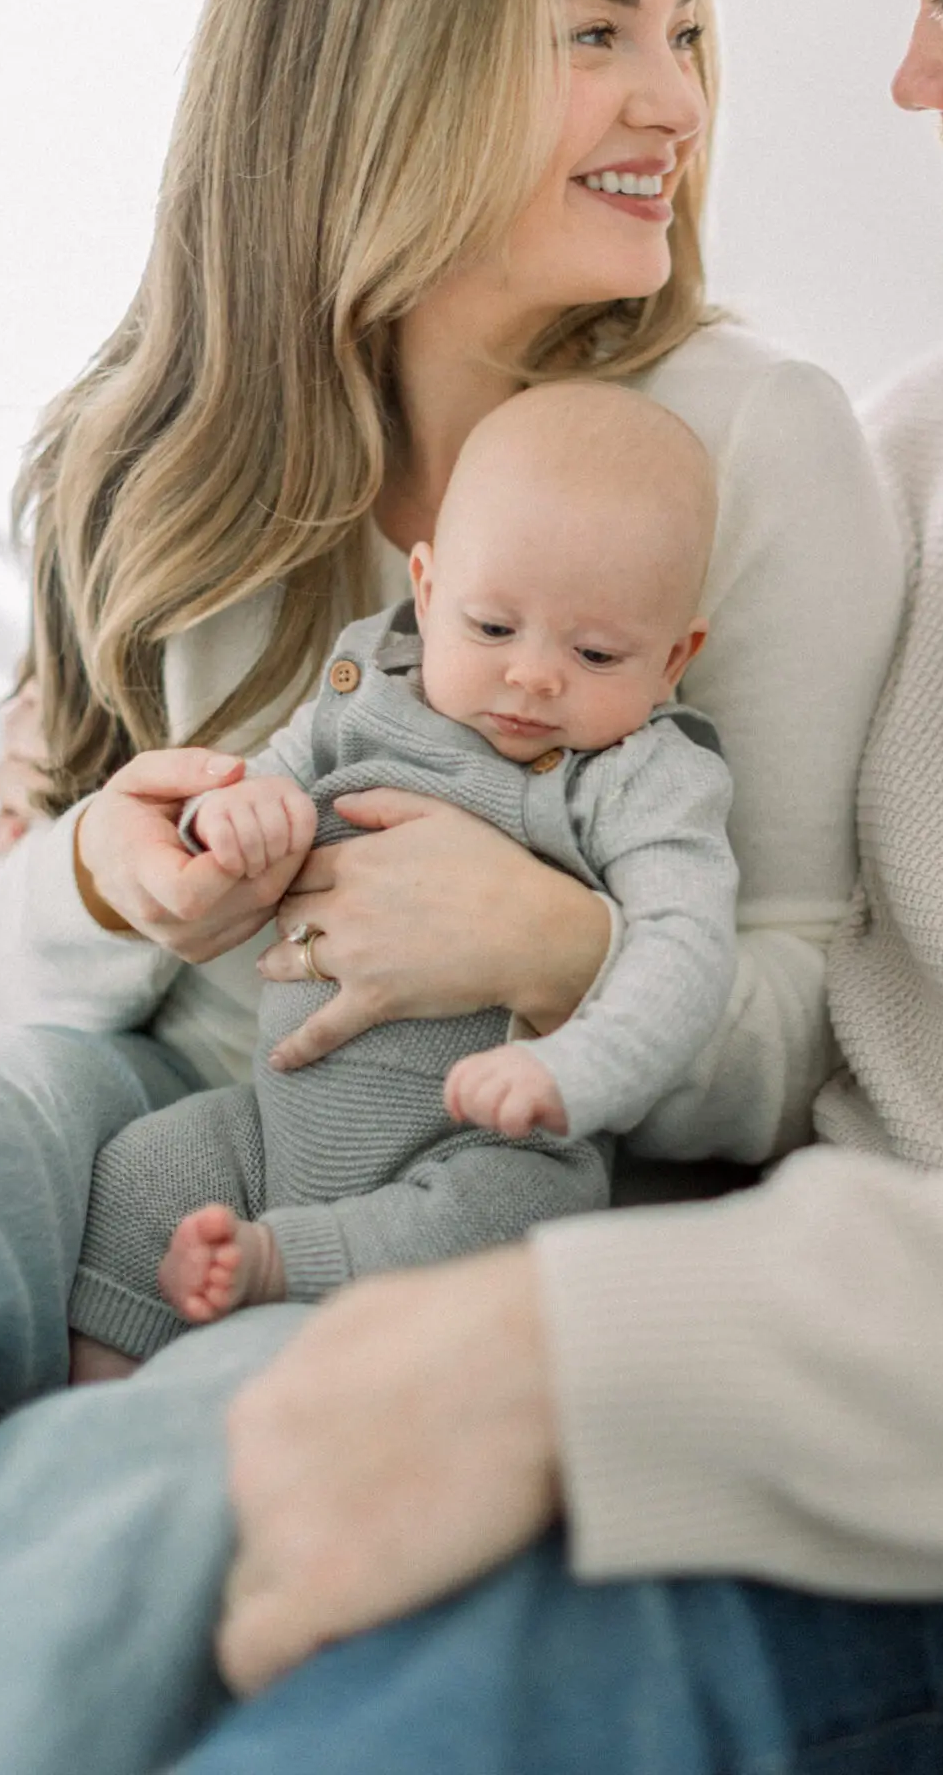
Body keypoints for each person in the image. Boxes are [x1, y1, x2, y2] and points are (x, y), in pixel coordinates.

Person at [0, 0, 896, 1772]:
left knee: (180, 1431)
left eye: (684, 34)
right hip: (168, 1114)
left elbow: (805, 1034)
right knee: (1, 1116)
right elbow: (29, 979)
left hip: (498, 1169)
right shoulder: (150, 455)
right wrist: (112, 887)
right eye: (592, 34)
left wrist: (553, 946)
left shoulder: (754, 449)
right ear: (386, 59)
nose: (671, 97)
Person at [68, 382, 737, 1367]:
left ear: (676, 656)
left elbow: (686, 950)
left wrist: (573, 1068)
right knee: (144, 1169)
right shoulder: (359, 699)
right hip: (273, 1125)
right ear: (425, 592)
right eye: (493, 628)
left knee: (506, 1219)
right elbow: (246, 797)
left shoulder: (644, 776)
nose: (533, 675)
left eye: (597, 651)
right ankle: (97, 1407)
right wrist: (236, 813)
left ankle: (281, 1264)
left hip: (482, 1143)